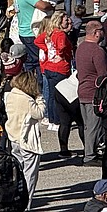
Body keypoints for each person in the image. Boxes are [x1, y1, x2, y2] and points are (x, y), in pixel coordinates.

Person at [4, 71, 46, 206]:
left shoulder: (11, 95)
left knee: (18, 173)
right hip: (27, 140)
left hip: (14, 138)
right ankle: (25, 204)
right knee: (30, 174)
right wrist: (39, 98)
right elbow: (40, 113)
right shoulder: (27, 100)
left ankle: (15, 198)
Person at [36, 11, 76, 156]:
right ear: (59, 21)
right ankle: (58, 121)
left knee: (52, 95)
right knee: (60, 97)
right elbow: (62, 48)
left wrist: (48, 50)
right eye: (65, 20)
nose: (68, 22)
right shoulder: (60, 35)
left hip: (49, 68)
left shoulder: (49, 32)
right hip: (60, 68)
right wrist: (59, 54)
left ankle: (53, 120)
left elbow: (38, 41)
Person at [76, 19, 107, 164]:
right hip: (93, 94)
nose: (103, 33)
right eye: (101, 30)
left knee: (88, 126)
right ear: (96, 33)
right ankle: (89, 156)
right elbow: (103, 75)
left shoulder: (80, 47)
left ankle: (90, 152)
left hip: (82, 91)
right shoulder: (97, 51)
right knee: (94, 126)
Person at [14, 0, 53, 77]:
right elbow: (43, 6)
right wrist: (51, 5)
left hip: (23, 32)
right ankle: (39, 82)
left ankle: (28, 79)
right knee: (38, 60)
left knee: (30, 60)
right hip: (31, 32)